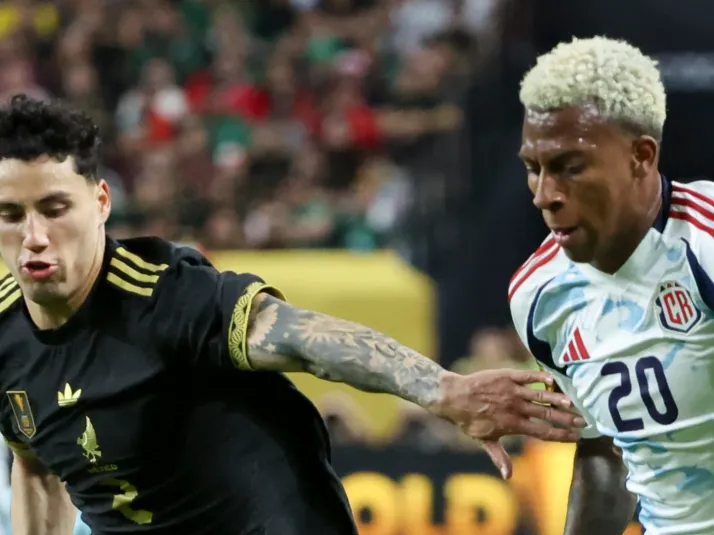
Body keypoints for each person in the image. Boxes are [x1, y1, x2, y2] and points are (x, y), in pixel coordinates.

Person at [0, 94, 582, 535]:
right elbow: (36, 459)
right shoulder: (5, 338)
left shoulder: (163, 294)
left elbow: (305, 339)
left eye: (55, 208)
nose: (34, 237)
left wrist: (444, 390)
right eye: (10, 215)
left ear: (101, 202)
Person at [510, 35, 714, 535]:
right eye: (533, 169)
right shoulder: (538, 297)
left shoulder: (704, 244)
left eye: (569, 168)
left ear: (641, 156)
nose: (544, 196)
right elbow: (605, 452)